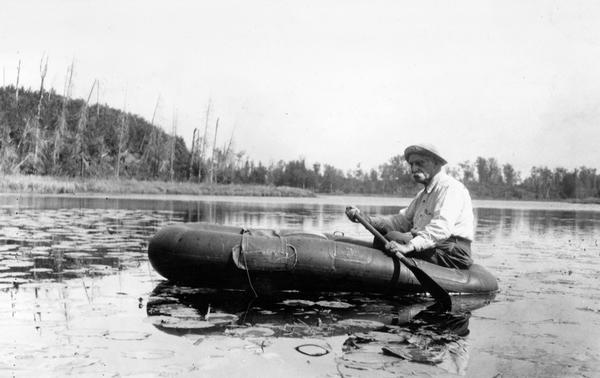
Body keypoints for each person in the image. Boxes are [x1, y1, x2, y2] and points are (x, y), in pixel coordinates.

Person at [346, 143, 474, 269]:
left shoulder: (450, 188)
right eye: (412, 164)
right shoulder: (423, 194)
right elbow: (401, 222)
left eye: (420, 163)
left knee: (393, 238)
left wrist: (408, 246)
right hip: (433, 246)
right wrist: (364, 219)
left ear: (436, 163)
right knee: (385, 238)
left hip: (453, 252)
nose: (413, 169)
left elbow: (441, 228)